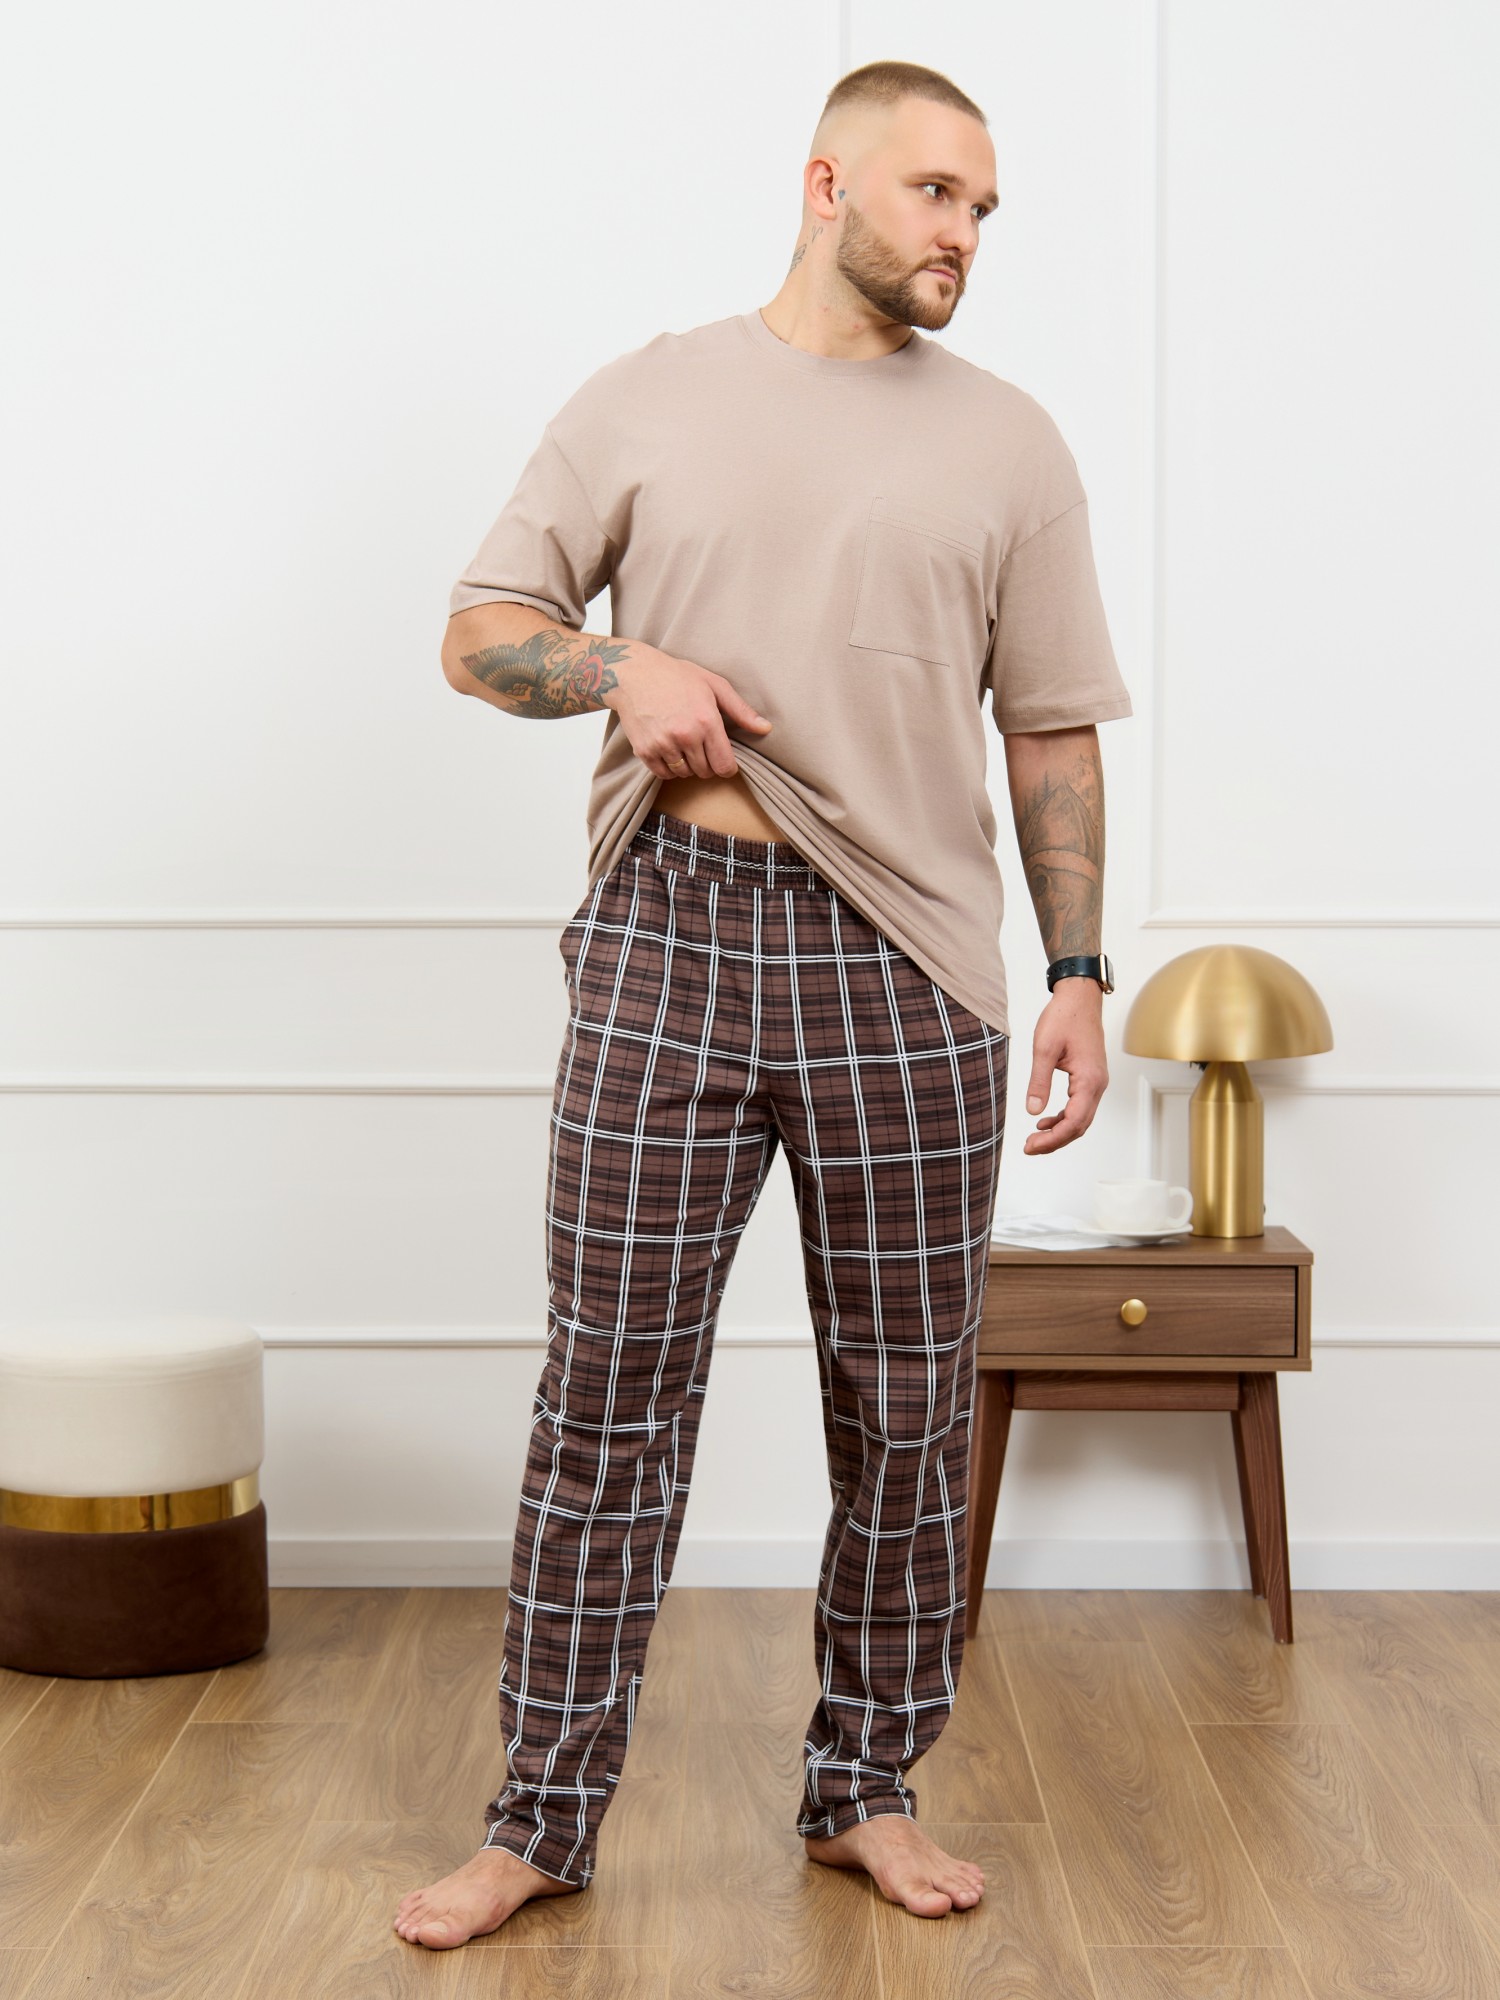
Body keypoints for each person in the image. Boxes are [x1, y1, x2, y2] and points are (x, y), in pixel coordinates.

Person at [395, 58, 1131, 1951]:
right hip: (670, 936)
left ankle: (865, 1788)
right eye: (936, 193)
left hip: (913, 967)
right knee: (605, 1399)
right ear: (827, 183)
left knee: (905, 1412)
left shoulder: (1013, 444)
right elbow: (481, 629)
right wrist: (621, 667)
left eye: (985, 209)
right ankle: (540, 1818)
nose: (965, 234)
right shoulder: (647, 395)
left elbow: (1051, 728)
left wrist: (1075, 972)